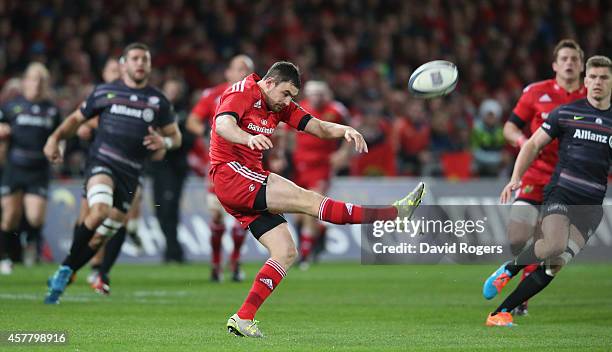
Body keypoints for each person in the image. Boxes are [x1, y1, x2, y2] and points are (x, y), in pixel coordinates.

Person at [208, 61, 425, 337]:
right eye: (286, 93)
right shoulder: (242, 92)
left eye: (292, 97)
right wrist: (246, 139)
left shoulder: (279, 104)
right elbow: (223, 124)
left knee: (285, 252)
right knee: (309, 200)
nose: (288, 101)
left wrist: (345, 130)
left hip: (247, 179)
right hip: (232, 175)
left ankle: (243, 317)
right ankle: (393, 215)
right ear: (270, 82)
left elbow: (317, 126)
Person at [43, 42, 182, 304]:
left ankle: (66, 270)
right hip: (102, 163)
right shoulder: (105, 92)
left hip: (131, 175)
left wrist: (163, 143)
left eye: (145, 59)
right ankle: (69, 269)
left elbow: (176, 137)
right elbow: (76, 119)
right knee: (99, 210)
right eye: (135, 58)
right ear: (124, 64)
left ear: (150, 65)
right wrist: (54, 138)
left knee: (101, 238)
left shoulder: (158, 101)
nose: (140, 63)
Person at [484, 55, 612, 327]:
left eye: (605, 77)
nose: (598, 82)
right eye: (594, 77)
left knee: (555, 265)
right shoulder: (566, 113)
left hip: (591, 206)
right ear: (585, 81)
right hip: (562, 193)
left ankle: (499, 313)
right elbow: (531, 145)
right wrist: (516, 177)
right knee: (553, 244)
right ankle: (511, 268)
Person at [495, 39, 586, 315]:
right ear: (555, 65)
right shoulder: (536, 92)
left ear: (582, 65)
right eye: (565, 59)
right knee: (517, 237)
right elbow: (509, 128)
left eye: (574, 59)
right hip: (535, 174)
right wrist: (525, 142)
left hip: (569, 180)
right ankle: (521, 271)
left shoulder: (591, 98)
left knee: (550, 243)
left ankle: (522, 296)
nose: (569, 63)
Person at [186, 54, 254, 281]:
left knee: (243, 216)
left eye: (247, 69)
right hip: (220, 163)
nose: (243, 73)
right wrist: (209, 133)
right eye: (238, 68)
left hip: (247, 162)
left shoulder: (258, 96)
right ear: (228, 73)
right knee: (216, 215)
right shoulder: (213, 95)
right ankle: (216, 263)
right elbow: (193, 121)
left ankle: (234, 261)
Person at [0, 63, 60, 275]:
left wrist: (58, 149)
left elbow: (59, 136)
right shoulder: (11, 106)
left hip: (38, 169)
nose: (37, 84)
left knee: (35, 217)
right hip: (15, 167)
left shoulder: (52, 109)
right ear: (25, 81)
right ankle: (5, 257)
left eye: (41, 80)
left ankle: (30, 245)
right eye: (33, 79)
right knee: (10, 215)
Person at [291, 80, 351, 268]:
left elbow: (351, 130)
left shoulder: (336, 110)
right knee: (298, 215)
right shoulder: (299, 109)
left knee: (311, 206)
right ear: (307, 94)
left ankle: (305, 256)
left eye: (319, 93)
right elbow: (287, 132)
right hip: (299, 166)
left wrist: (343, 152)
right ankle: (321, 233)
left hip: (322, 167)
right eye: (312, 93)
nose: (316, 97)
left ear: (326, 93)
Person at [151, 78, 194, 263]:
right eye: (169, 89)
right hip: (157, 168)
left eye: (175, 90)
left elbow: (190, 139)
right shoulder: (156, 112)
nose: (172, 94)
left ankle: (173, 252)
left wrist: (168, 143)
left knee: (170, 209)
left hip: (175, 169)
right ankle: (172, 249)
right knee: (160, 209)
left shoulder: (184, 112)